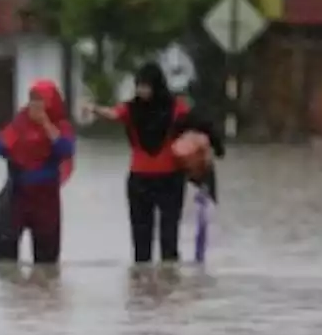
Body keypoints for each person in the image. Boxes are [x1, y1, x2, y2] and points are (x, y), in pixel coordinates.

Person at [87, 62, 222, 263]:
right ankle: (142, 288)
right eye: (139, 85)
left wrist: (215, 147)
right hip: (139, 182)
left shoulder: (176, 108)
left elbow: (202, 124)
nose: (142, 90)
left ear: (156, 85)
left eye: (146, 85)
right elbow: (113, 113)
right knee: (141, 246)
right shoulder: (131, 109)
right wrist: (94, 109)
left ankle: (168, 284)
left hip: (170, 181)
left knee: (169, 241)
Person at [0, 79, 76, 264]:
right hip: (17, 195)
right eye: (32, 99)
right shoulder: (20, 122)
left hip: (46, 202)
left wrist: (45, 124)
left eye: (40, 100)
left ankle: (43, 292)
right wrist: (19, 140)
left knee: (47, 263)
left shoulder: (61, 127)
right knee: (5, 261)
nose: (35, 105)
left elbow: (65, 150)